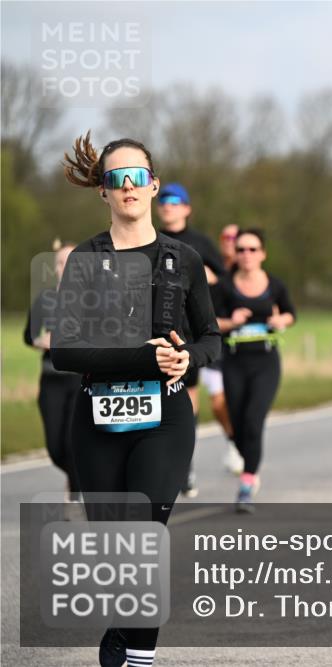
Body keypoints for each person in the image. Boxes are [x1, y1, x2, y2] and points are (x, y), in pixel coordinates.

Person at [54, 132, 221, 667]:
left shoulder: (185, 259)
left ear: (152, 185)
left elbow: (211, 339)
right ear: (103, 192)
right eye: (115, 179)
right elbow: (64, 351)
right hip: (96, 420)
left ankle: (139, 658)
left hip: (166, 417)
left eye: (136, 177)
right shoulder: (86, 259)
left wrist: (185, 360)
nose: (127, 187)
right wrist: (141, 357)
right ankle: (122, 626)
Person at [215, 228, 296, 513]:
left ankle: (247, 483)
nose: (246, 255)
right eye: (241, 250)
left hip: (265, 361)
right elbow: (211, 322)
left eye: (252, 249)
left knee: (253, 419)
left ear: (263, 253)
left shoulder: (275, 284)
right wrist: (231, 321)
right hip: (235, 361)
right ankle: (249, 461)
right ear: (234, 254)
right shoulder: (224, 287)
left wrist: (280, 321)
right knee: (237, 424)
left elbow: (290, 314)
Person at [156, 183, 226, 498]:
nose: (168, 206)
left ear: (186, 208)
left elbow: (224, 279)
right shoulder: (151, 239)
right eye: (164, 202)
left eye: (174, 202)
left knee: (186, 398)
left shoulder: (199, 243)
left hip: (190, 334)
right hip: (154, 332)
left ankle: (185, 466)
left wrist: (204, 276)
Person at [24, 240, 81, 501]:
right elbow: (28, 336)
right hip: (51, 380)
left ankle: (77, 494)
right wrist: (41, 341)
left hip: (81, 380)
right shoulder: (44, 300)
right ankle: (87, 480)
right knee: (55, 448)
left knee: (72, 444)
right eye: (60, 262)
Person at [210, 223, 241, 474]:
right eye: (226, 236)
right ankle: (232, 439)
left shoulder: (248, 268)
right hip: (216, 341)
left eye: (235, 237)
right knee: (218, 402)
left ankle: (241, 442)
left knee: (240, 401)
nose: (230, 241)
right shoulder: (213, 266)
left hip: (242, 345)